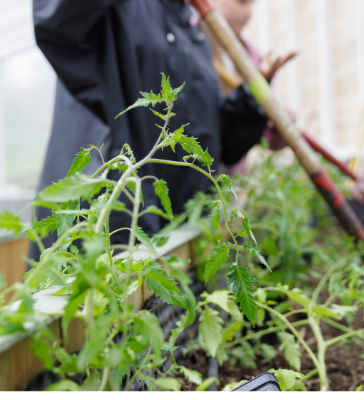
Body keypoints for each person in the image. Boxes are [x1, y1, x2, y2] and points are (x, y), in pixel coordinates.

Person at [29, 0, 284, 261]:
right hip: (104, 223)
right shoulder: (118, 10)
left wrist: (250, 101)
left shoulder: (191, 34)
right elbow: (56, 19)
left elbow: (214, 141)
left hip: (171, 236)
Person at [205, 0, 296, 176]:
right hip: (199, 168)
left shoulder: (251, 57)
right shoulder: (193, 45)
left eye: (252, 5)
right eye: (242, 2)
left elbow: (254, 132)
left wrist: (274, 122)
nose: (249, 12)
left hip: (231, 177)